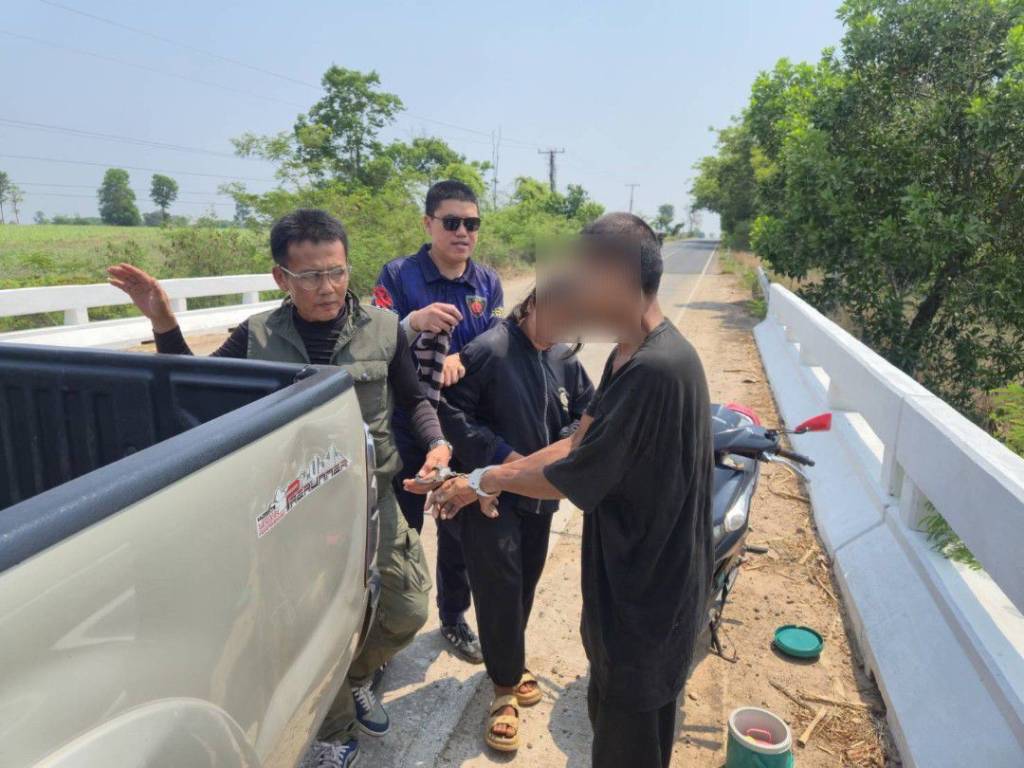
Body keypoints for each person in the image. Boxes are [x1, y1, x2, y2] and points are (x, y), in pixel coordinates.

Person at [108, 209, 451, 768]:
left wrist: (437, 443)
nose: (328, 287)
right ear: (281, 278)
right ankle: (334, 727)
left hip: (369, 497)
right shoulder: (257, 336)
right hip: (290, 510)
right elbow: (198, 391)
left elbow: (413, 400)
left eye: (337, 271)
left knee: (407, 607)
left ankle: (356, 677)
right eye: (311, 276)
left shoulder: (385, 328)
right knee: (308, 623)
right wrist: (164, 323)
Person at [406, 213, 714, 768]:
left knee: (629, 742)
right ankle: (505, 675)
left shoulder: (656, 369)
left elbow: (568, 470)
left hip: (649, 596)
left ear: (615, 277)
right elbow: (577, 441)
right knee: (604, 713)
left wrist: (484, 480)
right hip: (620, 584)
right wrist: (483, 473)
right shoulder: (626, 353)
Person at [437, 288, 593, 752]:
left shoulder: (564, 358)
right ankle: (504, 689)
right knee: (500, 586)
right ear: (531, 305)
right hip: (492, 493)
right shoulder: (490, 349)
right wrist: (505, 459)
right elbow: (451, 411)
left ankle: (510, 657)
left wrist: (554, 452)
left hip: (540, 494)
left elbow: (588, 412)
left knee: (525, 580)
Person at [372, 179, 504, 664]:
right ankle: (384, 639)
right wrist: (413, 323)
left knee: (459, 529)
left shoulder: (487, 283)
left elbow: (499, 343)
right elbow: (373, 341)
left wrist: (461, 357)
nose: (463, 232)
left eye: (472, 223)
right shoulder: (399, 275)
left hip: (465, 426)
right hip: (409, 425)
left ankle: (453, 617)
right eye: (451, 222)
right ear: (428, 224)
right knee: (400, 535)